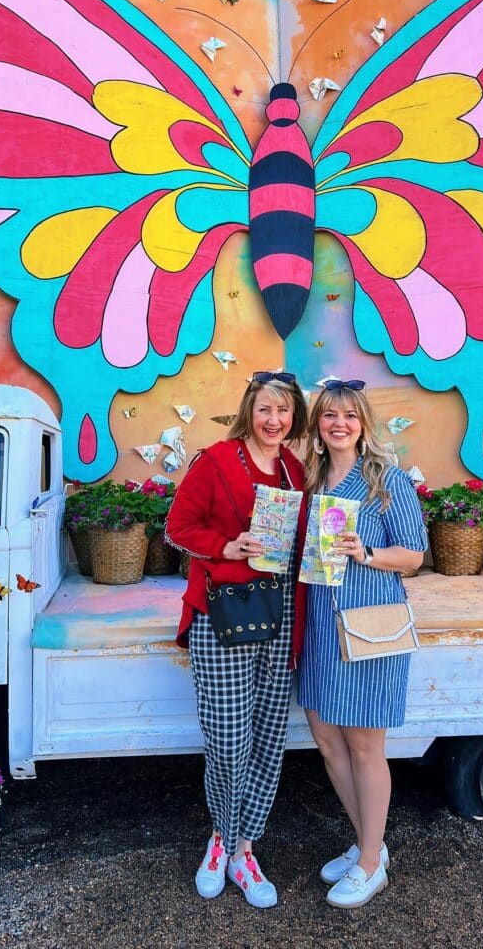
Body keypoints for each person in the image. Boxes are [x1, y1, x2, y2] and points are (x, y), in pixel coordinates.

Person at [165, 371, 308, 909]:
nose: (275, 420)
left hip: (283, 614)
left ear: (294, 418)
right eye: (266, 409)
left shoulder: (295, 470)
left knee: (270, 738)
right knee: (228, 738)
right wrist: (228, 547)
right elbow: (177, 528)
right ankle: (220, 837)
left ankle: (246, 848)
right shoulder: (216, 460)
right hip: (224, 612)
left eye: (285, 411)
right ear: (249, 409)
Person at [298, 380, 427, 908]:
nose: (339, 424)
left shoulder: (385, 481)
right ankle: (366, 844)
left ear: (363, 424)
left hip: (370, 626)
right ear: (318, 426)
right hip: (319, 628)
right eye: (329, 415)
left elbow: (415, 555)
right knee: (329, 744)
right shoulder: (306, 482)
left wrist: (365, 551)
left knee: (365, 747)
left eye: (349, 416)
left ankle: (371, 863)